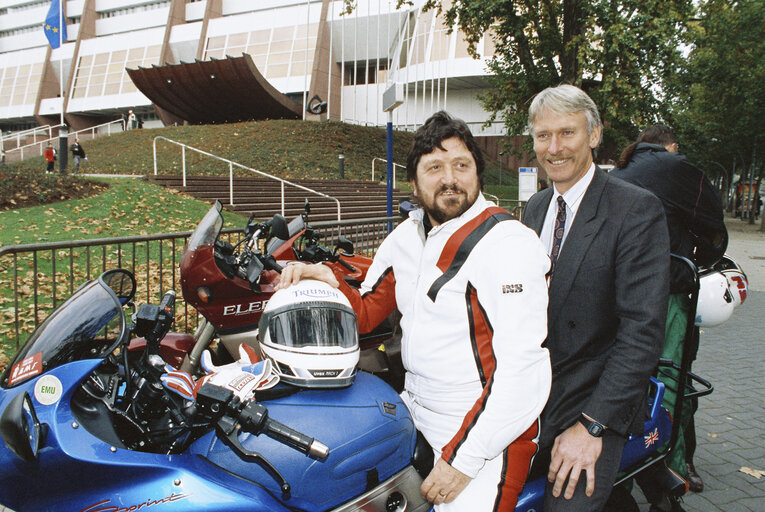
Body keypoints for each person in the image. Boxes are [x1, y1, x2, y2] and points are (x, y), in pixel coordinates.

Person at [277, 111, 552, 511]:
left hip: (490, 429)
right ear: (414, 182)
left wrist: (464, 460)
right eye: (435, 167)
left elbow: (524, 373)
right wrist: (325, 278)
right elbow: (368, 312)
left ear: (478, 174)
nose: (450, 179)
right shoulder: (406, 235)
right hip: (413, 406)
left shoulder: (510, 243)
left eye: (462, 165)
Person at [521, 84, 670, 512]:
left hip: (596, 399)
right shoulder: (535, 208)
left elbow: (641, 334)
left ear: (595, 134)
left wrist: (592, 428)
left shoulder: (635, 210)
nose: (554, 148)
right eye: (542, 135)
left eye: (567, 133)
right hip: (536, 392)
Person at [612, 125, 727, 507]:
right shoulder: (678, 168)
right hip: (668, 291)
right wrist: (699, 259)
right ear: (671, 146)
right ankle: (671, 474)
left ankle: (622, 471)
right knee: (671, 381)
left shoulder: (619, 173)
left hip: (618, 293)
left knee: (626, 378)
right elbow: (714, 225)